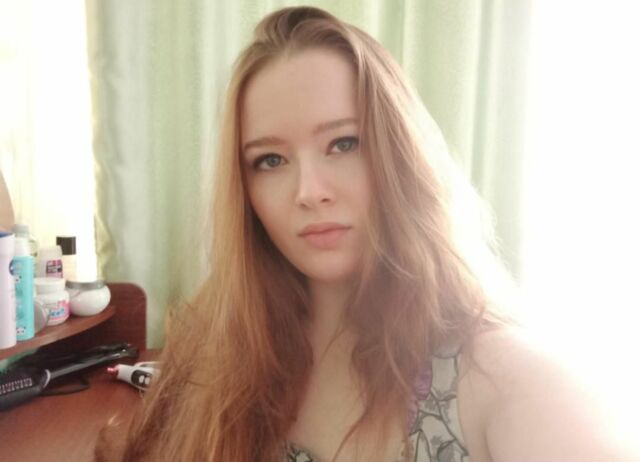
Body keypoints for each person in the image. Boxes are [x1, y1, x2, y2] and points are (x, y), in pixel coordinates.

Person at [96, 6, 636, 462]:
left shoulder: (504, 380)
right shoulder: (216, 357)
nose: (309, 191)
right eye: (271, 160)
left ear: (400, 156)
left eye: (344, 144)